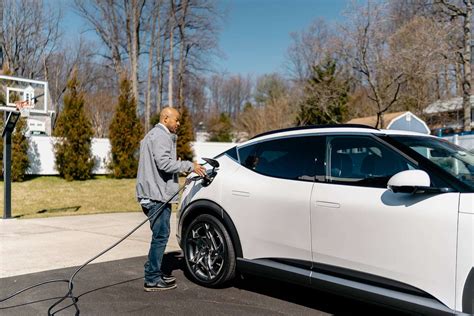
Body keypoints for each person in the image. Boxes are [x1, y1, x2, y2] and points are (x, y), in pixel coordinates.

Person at [136, 107, 206, 292]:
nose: (179, 123)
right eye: (176, 119)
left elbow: (159, 163)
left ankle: (153, 272)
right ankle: (151, 279)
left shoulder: (152, 135)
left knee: (158, 236)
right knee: (160, 237)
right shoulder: (161, 136)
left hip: (150, 193)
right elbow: (164, 163)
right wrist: (189, 165)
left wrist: (177, 165)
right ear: (166, 118)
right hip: (157, 196)